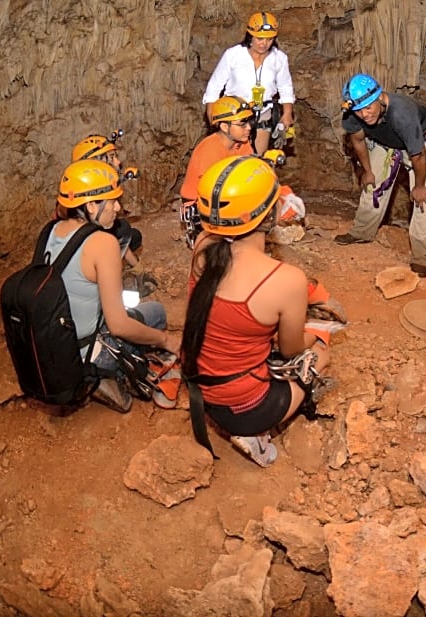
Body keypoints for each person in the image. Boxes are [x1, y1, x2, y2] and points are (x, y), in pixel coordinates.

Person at [181, 155, 330, 467]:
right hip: (245, 409)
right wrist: (317, 335)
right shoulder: (286, 279)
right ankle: (257, 435)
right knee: (321, 351)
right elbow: (291, 351)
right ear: (268, 215)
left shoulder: (203, 246)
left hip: (199, 386)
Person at [52, 158, 182, 413]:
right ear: (90, 205)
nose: (118, 207)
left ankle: (100, 370)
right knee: (156, 313)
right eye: (111, 201)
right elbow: (119, 325)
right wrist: (166, 340)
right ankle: (106, 375)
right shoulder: (103, 243)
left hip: (56, 345)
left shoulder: (53, 230)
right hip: (87, 352)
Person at [335, 73, 426, 278]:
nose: (365, 115)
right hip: (387, 140)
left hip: (421, 142)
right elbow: (358, 141)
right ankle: (361, 233)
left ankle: (420, 258)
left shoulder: (403, 114)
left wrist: (419, 186)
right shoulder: (353, 114)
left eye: (368, 107)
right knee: (372, 184)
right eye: (359, 111)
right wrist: (367, 171)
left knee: (424, 199)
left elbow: (418, 155)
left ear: (379, 97)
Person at [179, 95, 305, 249]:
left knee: (277, 194)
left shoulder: (241, 144)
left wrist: (278, 192)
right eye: (242, 124)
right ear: (225, 127)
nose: (249, 128)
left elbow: (251, 174)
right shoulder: (209, 150)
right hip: (205, 205)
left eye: (249, 122)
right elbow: (215, 194)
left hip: (228, 196)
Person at [72, 133, 155, 295]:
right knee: (122, 229)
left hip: (87, 248)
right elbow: (114, 236)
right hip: (83, 263)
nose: (118, 162)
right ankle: (111, 279)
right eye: (112, 157)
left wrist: (138, 267)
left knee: (132, 235)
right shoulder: (91, 200)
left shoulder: (81, 188)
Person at [202, 11, 294, 155]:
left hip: (262, 113)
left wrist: (287, 113)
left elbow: (285, 87)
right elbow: (215, 85)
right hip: (234, 115)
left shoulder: (279, 59)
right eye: (260, 39)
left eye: (269, 39)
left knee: (256, 157)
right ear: (250, 35)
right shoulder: (233, 55)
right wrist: (211, 114)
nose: (264, 43)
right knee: (229, 157)